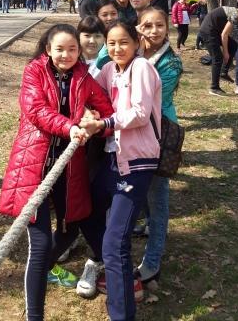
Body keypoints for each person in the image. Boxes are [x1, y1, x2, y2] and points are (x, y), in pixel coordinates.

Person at [0, 24, 113, 321]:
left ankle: (45, 268)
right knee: (38, 245)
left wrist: (96, 121)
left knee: (69, 227)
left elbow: (106, 109)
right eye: (59, 49)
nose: (66, 55)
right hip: (33, 165)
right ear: (48, 49)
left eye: (72, 49)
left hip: (69, 168)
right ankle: (34, 315)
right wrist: (70, 126)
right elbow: (35, 110)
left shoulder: (84, 77)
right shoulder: (34, 72)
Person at [77, 21, 161, 318]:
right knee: (85, 210)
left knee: (115, 244)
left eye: (123, 42)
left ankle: (121, 311)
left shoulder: (142, 68)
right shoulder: (109, 70)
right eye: (111, 43)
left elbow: (140, 113)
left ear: (136, 42)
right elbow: (90, 92)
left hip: (137, 161)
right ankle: (120, 272)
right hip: (113, 158)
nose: (117, 48)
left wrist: (103, 123)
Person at [135, 7, 183, 284]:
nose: (154, 31)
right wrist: (131, 40)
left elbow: (147, 99)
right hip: (132, 133)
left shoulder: (171, 64)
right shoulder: (132, 49)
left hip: (159, 136)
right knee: (142, 191)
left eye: (159, 26)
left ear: (167, 28)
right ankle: (148, 225)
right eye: (147, 25)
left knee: (158, 197)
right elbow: (104, 63)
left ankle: (153, 261)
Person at [199, 5, 238, 96]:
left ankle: (223, 72)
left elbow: (228, 33)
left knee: (233, 45)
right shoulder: (234, 14)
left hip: (215, 32)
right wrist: (226, 52)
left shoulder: (233, 11)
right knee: (217, 58)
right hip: (208, 32)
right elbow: (224, 35)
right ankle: (214, 88)